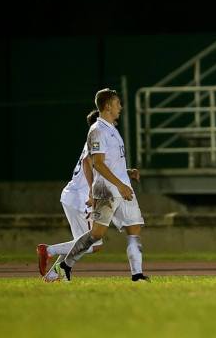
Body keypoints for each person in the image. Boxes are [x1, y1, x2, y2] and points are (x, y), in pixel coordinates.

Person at [56, 88, 148, 282]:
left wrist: (127, 173)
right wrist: (120, 185)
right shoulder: (97, 130)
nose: (120, 107)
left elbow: (112, 160)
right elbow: (97, 163)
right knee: (96, 235)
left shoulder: (111, 128)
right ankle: (65, 265)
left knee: (135, 227)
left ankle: (137, 275)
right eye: (117, 103)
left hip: (122, 188)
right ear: (107, 106)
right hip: (106, 190)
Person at [37, 110, 104, 282]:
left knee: (80, 242)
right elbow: (86, 162)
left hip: (72, 195)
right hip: (81, 197)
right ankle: (48, 250)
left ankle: (54, 275)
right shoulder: (98, 138)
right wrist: (91, 191)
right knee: (93, 245)